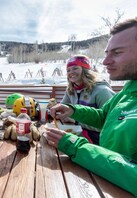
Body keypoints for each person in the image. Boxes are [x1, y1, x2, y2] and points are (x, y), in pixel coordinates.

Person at [45, 18, 137, 196]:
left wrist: (77, 147)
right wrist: (74, 110)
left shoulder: (102, 90)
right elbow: (104, 116)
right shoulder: (127, 91)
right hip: (103, 177)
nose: (105, 62)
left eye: (117, 53)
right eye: (107, 53)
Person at [61, 54, 115, 144]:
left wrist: (76, 121)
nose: (71, 72)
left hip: (100, 140)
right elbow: (62, 107)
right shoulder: (71, 89)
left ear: (85, 70)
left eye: (75, 68)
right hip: (79, 134)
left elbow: (110, 124)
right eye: (68, 70)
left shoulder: (102, 91)